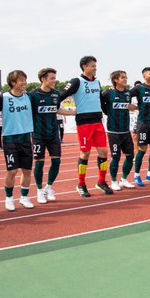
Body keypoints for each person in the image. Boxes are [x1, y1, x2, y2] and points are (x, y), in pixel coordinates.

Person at [60, 56, 113, 197]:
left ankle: (101, 182)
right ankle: (81, 184)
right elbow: (60, 96)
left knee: (103, 152)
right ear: (84, 66)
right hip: (84, 123)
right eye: (92, 66)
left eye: (95, 66)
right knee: (85, 153)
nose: (95, 68)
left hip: (98, 122)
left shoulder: (97, 82)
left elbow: (101, 101)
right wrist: (63, 110)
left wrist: (108, 113)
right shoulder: (76, 82)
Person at [0, 70, 35, 210]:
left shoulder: (29, 97)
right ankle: (9, 198)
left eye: (25, 79)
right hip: (10, 138)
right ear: (12, 82)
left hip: (26, 138)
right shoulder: (3, 98)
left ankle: (24, 197)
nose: (24, 82)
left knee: (27, 170)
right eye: (21, 80)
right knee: (12, 170)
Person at [30, 68, 75, 203]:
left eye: (55, 78)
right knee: (39, 163)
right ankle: (39, 190)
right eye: (52, 78)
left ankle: (48, 187)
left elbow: (57, 109)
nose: (55, 81)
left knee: (56, 161)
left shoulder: (55, 94)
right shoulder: (33, 95)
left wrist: (74, 112)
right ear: (43, 79)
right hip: (38, 135)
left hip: (53, 135)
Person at [101, 70, 137, 191]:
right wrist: (108, 112)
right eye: (123, 77)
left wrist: (138, 108)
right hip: (114, 132)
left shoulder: (128, 93)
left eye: (126, 77)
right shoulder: (108, 93)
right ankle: (113, 181)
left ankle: (124, 179)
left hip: (126, 131)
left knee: (130, 156)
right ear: (116, 80)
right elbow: (102, 104)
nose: (125, 79)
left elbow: (128, 106)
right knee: (116, 157)